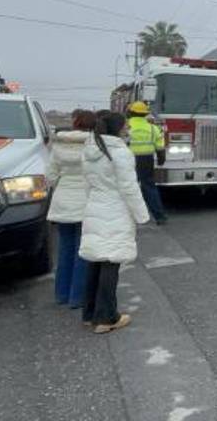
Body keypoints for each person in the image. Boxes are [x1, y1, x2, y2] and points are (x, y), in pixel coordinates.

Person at [79, 111, 151, 334]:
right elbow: (129, 188)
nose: (128, 129)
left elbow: (87, 182)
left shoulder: (90, 150)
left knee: (95, 261)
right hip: (115, 209)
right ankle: (107, 317)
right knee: (112, 261)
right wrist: (142, 215)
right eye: (125, 126)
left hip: (95, 206)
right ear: (117, 129)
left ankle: (89, 313)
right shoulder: (120, 153)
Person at [45, 109, 96, 308]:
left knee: (65, 249)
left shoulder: (58, 146)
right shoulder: (93, 146)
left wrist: (62, 186)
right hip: (85, 201)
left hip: (62, 201)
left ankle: (61, 294)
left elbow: (50, 176)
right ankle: (77, 297)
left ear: (75, 124)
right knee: (82, 251)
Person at [125, 101, 167, 225]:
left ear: (130, 112)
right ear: (145, 114)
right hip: (146, 160)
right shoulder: (153, 128)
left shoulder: (125, 126)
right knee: (149, 187)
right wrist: (161, 161)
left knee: (127, 186)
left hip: (127, 159)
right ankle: (160, 216)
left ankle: (127, 216)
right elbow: (160, 147)